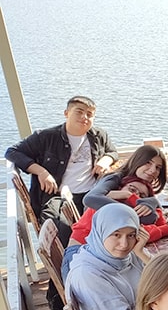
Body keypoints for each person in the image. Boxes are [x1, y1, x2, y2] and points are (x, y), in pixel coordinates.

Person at [5, 95, 117, 224]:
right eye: (79, 112)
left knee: (110, 220)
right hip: (57, 196)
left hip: (90, 193)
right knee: (56, 225)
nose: (84, 117)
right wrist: (41, 172)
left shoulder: (99, 136)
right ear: (66, 113)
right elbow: (12, 152)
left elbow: (112, 152)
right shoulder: (46, 137)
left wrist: (106, 160)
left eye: (89, 114)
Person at [64, 203, 144, 310]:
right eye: (116, 235)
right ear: (101, 231)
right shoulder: (88, 275)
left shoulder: (127, 257)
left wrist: (142, 253)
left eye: (131, 235)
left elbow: (162, 284)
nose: (124, 244)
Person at [64, 176, 168, 276]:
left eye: (142, 196)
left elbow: (156, 223)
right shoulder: (107, 206)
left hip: (100, 255)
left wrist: (153, 205)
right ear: (119, 188)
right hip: (78, 255)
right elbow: (140, 233)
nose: (135, 196)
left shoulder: (126, 210)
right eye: (132, 189)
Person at [84, 143, 168, 215]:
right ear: (137, 161)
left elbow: (160, 215)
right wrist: (128, 197)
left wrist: (153, 201)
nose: (153, 170)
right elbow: (90, 198)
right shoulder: (114, 178)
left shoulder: (144, 186)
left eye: (158, 167)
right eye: (148, 163)